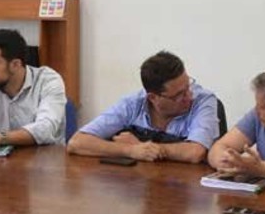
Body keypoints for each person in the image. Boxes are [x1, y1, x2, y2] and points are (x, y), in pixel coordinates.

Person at [68, 50, 220, 163]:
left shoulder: (204, 100)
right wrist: (131, 150)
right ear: (153, 97)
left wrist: (148, 148)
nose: (189, 96)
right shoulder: (132, 104)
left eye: (188, 86)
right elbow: (77, 143)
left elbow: (195, 152)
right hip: (143, 186)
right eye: (179, 95)